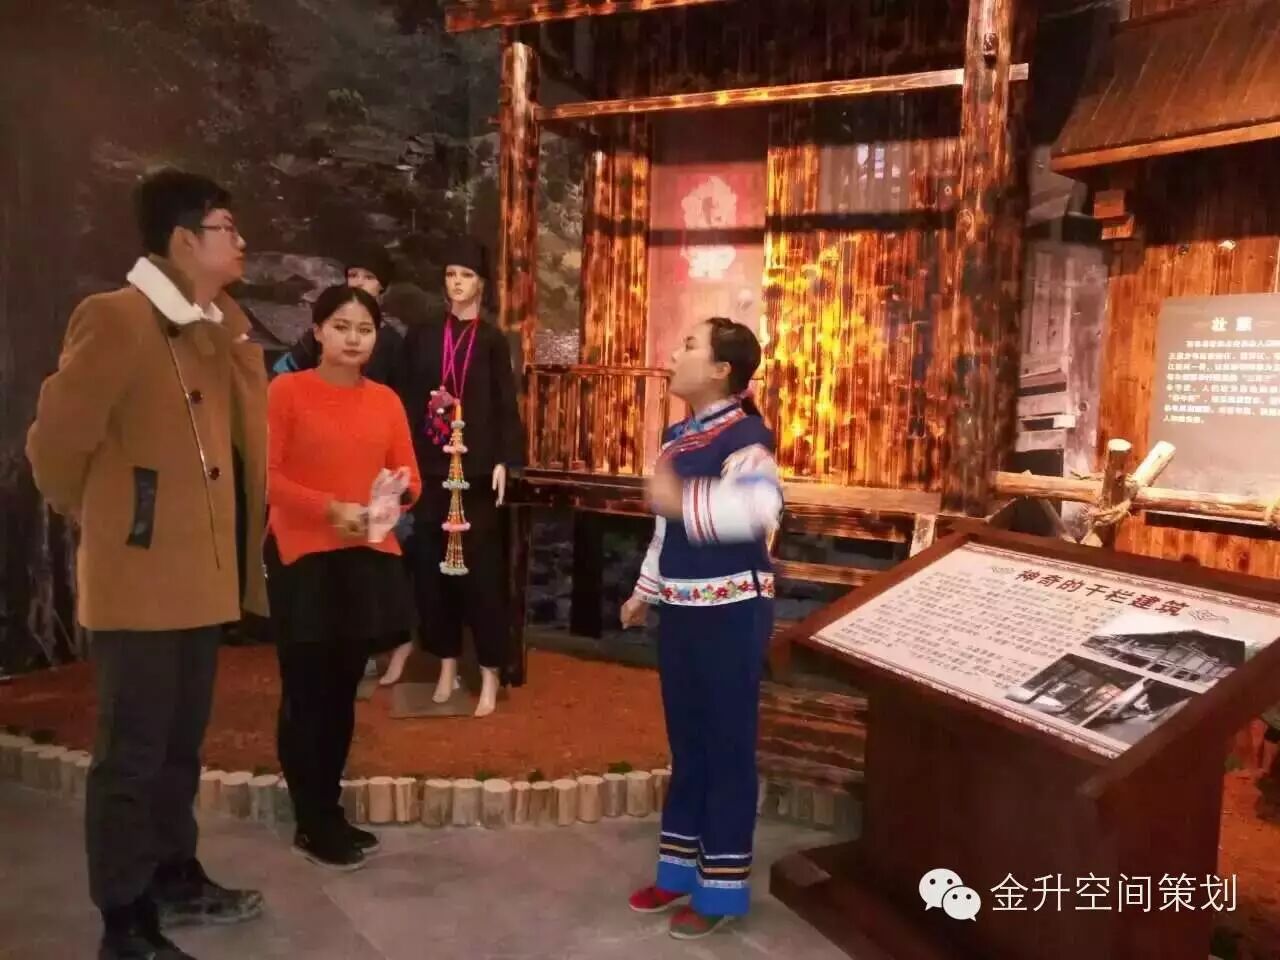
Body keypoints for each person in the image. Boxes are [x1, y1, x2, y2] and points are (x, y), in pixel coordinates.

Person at [26, 169, 268, 960]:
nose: (241, 242)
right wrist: (116, 521)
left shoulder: (209, 329)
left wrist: (226, 326)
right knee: (129, 756)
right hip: (139, 584)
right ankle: (124, 919)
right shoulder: (116, 318)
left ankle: (173, 873)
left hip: (200, 580)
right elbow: (56, 447)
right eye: (227, 227)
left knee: (177, 747)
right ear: (184, 239)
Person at [619, 317, 782, 940]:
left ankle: (721, 887)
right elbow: (665, 535)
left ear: (721, 370)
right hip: (683, 610)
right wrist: (645, 591)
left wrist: (677, 500)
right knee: (687, 743)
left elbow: (759, 510)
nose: (674, 353)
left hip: (732, 612)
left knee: (726, 747)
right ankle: (679, 870)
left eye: (689, 345)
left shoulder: (747, 436)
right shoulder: (679, 437)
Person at [265, 284, 421, 870]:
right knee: (307, 692)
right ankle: (311, 820)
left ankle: (328, 810)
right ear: (318, 331)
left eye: (365, 329)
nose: (354, 338)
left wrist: (393, 497)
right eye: (341, 326)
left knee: (342, 691)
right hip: (304, 556)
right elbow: (267, 477)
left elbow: (410, 478)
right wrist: (331, 509)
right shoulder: (287, 391)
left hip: (365, 557)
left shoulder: (385, 400)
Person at [400, 239, 523, 717]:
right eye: (451, 274)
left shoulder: (491, 340)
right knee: (432, 574)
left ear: (482, 284)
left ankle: (490, 671)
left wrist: (505, 459)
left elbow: (504, 403)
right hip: (431, 467)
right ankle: (445, 663)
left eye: (467, 275)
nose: (457, 282)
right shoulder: (423, 335)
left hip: (477, 471)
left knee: (483, 575)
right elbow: (407, 398)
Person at [272, 244, 405, 391]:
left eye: (369, 277)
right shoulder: (326, 327)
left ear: (382, 286)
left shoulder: (392, 342)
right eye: (353, 275)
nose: (359, 282)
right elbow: (283, 371)